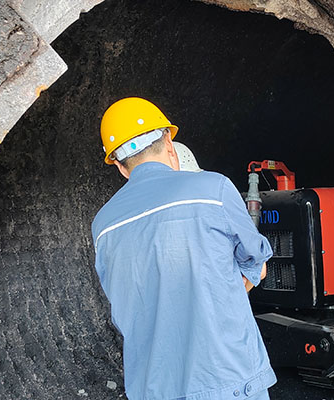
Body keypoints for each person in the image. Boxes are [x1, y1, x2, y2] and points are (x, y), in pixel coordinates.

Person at [91, 97, 275, 399]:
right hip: (227, 379)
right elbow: (257, 261)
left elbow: (125, 304)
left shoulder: (103, 226)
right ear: (169, 141)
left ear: (121, 167)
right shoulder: (213, 189)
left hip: (153, 388)